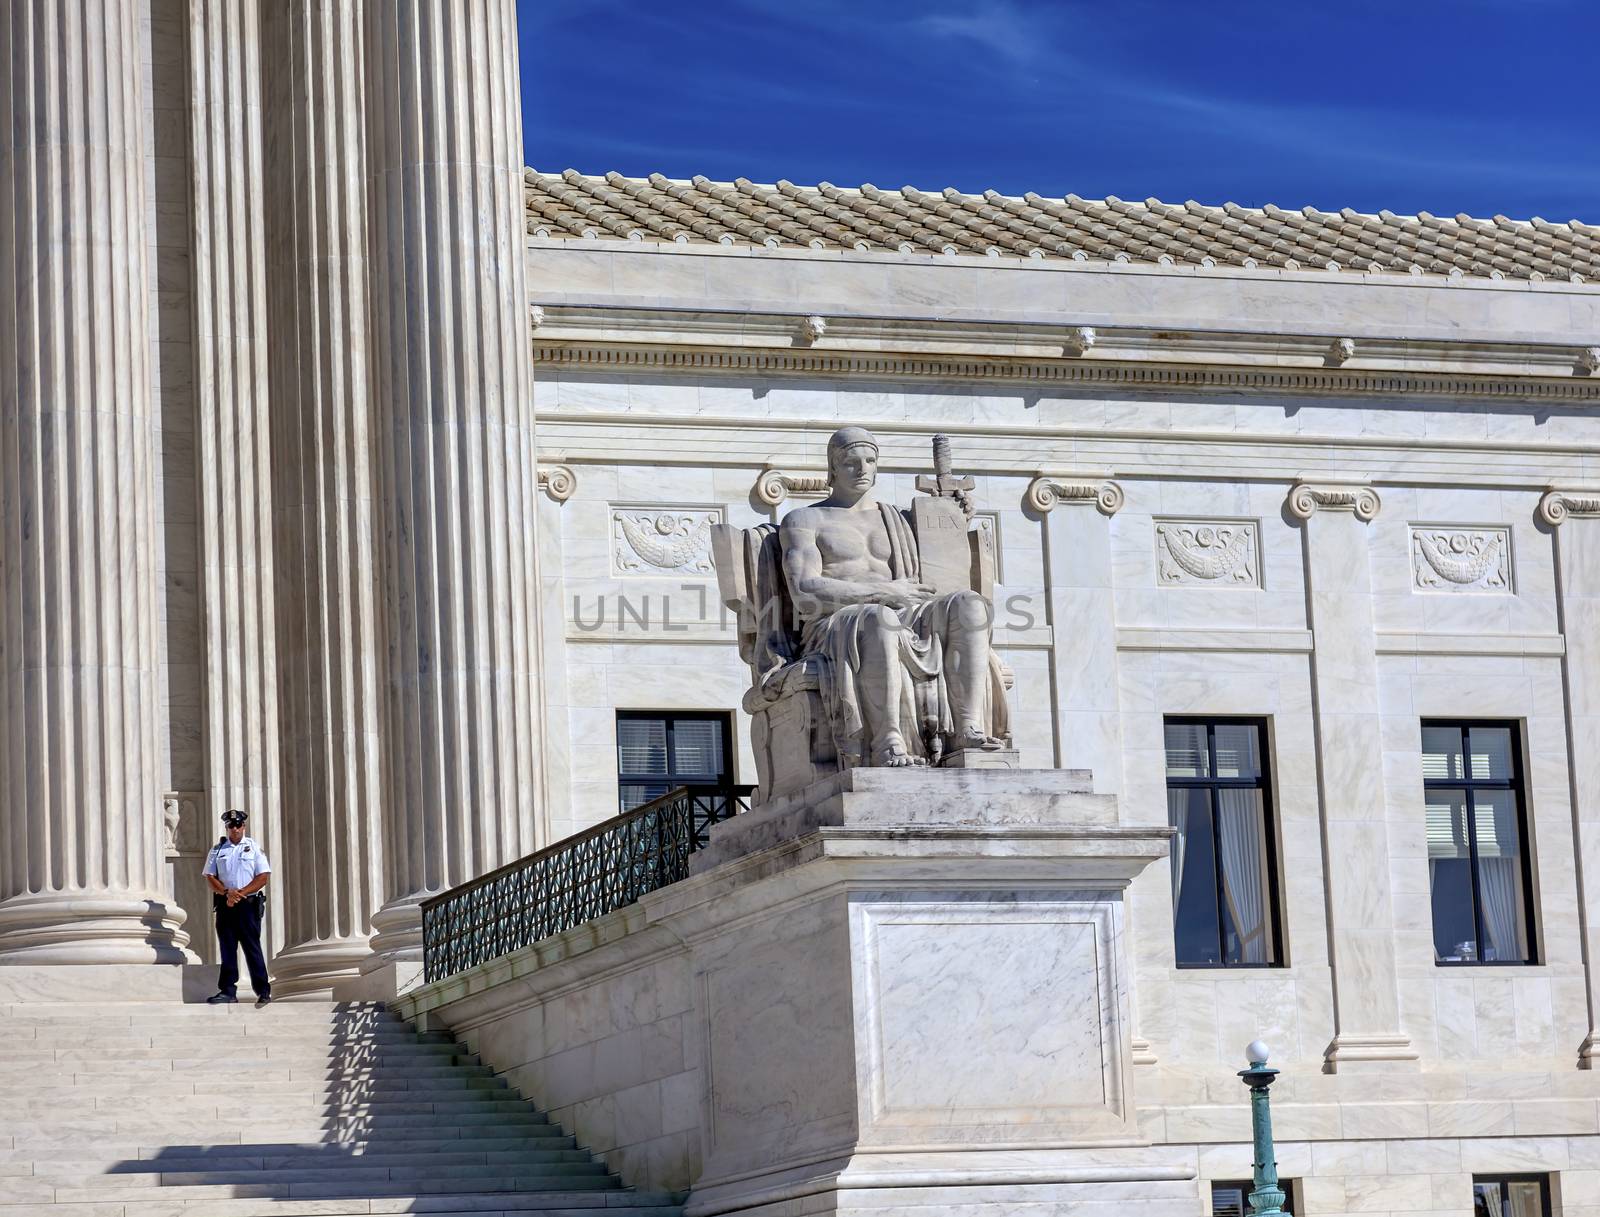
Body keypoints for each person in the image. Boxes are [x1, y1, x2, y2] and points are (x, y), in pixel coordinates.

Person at [779, 426, 1009, 767]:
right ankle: (887, 740)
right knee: (878, 618)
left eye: (870, 460)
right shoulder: (805, 519)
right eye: (850, 462)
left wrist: (954, 516)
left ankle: (967, 729)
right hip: (836, 621)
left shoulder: (900, 520)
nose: (862, 469)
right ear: (832, 467)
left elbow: (942, 565)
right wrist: (883, 592)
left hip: (906, 610)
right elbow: (803, 590)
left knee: (970, 606)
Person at [202, 809, 272, 1006]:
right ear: (227, 827)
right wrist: (227, 893)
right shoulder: (217, 849)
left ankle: (263, 990)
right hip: (226, 904)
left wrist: (239, 894)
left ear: (244, 826)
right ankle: (228, 991)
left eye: (238, 825)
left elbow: (263, 877)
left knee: (252, 947)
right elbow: (210, 877)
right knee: (227, 948)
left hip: (247, 905)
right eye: (231, 826)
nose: (235, 829)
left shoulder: (253, 848)